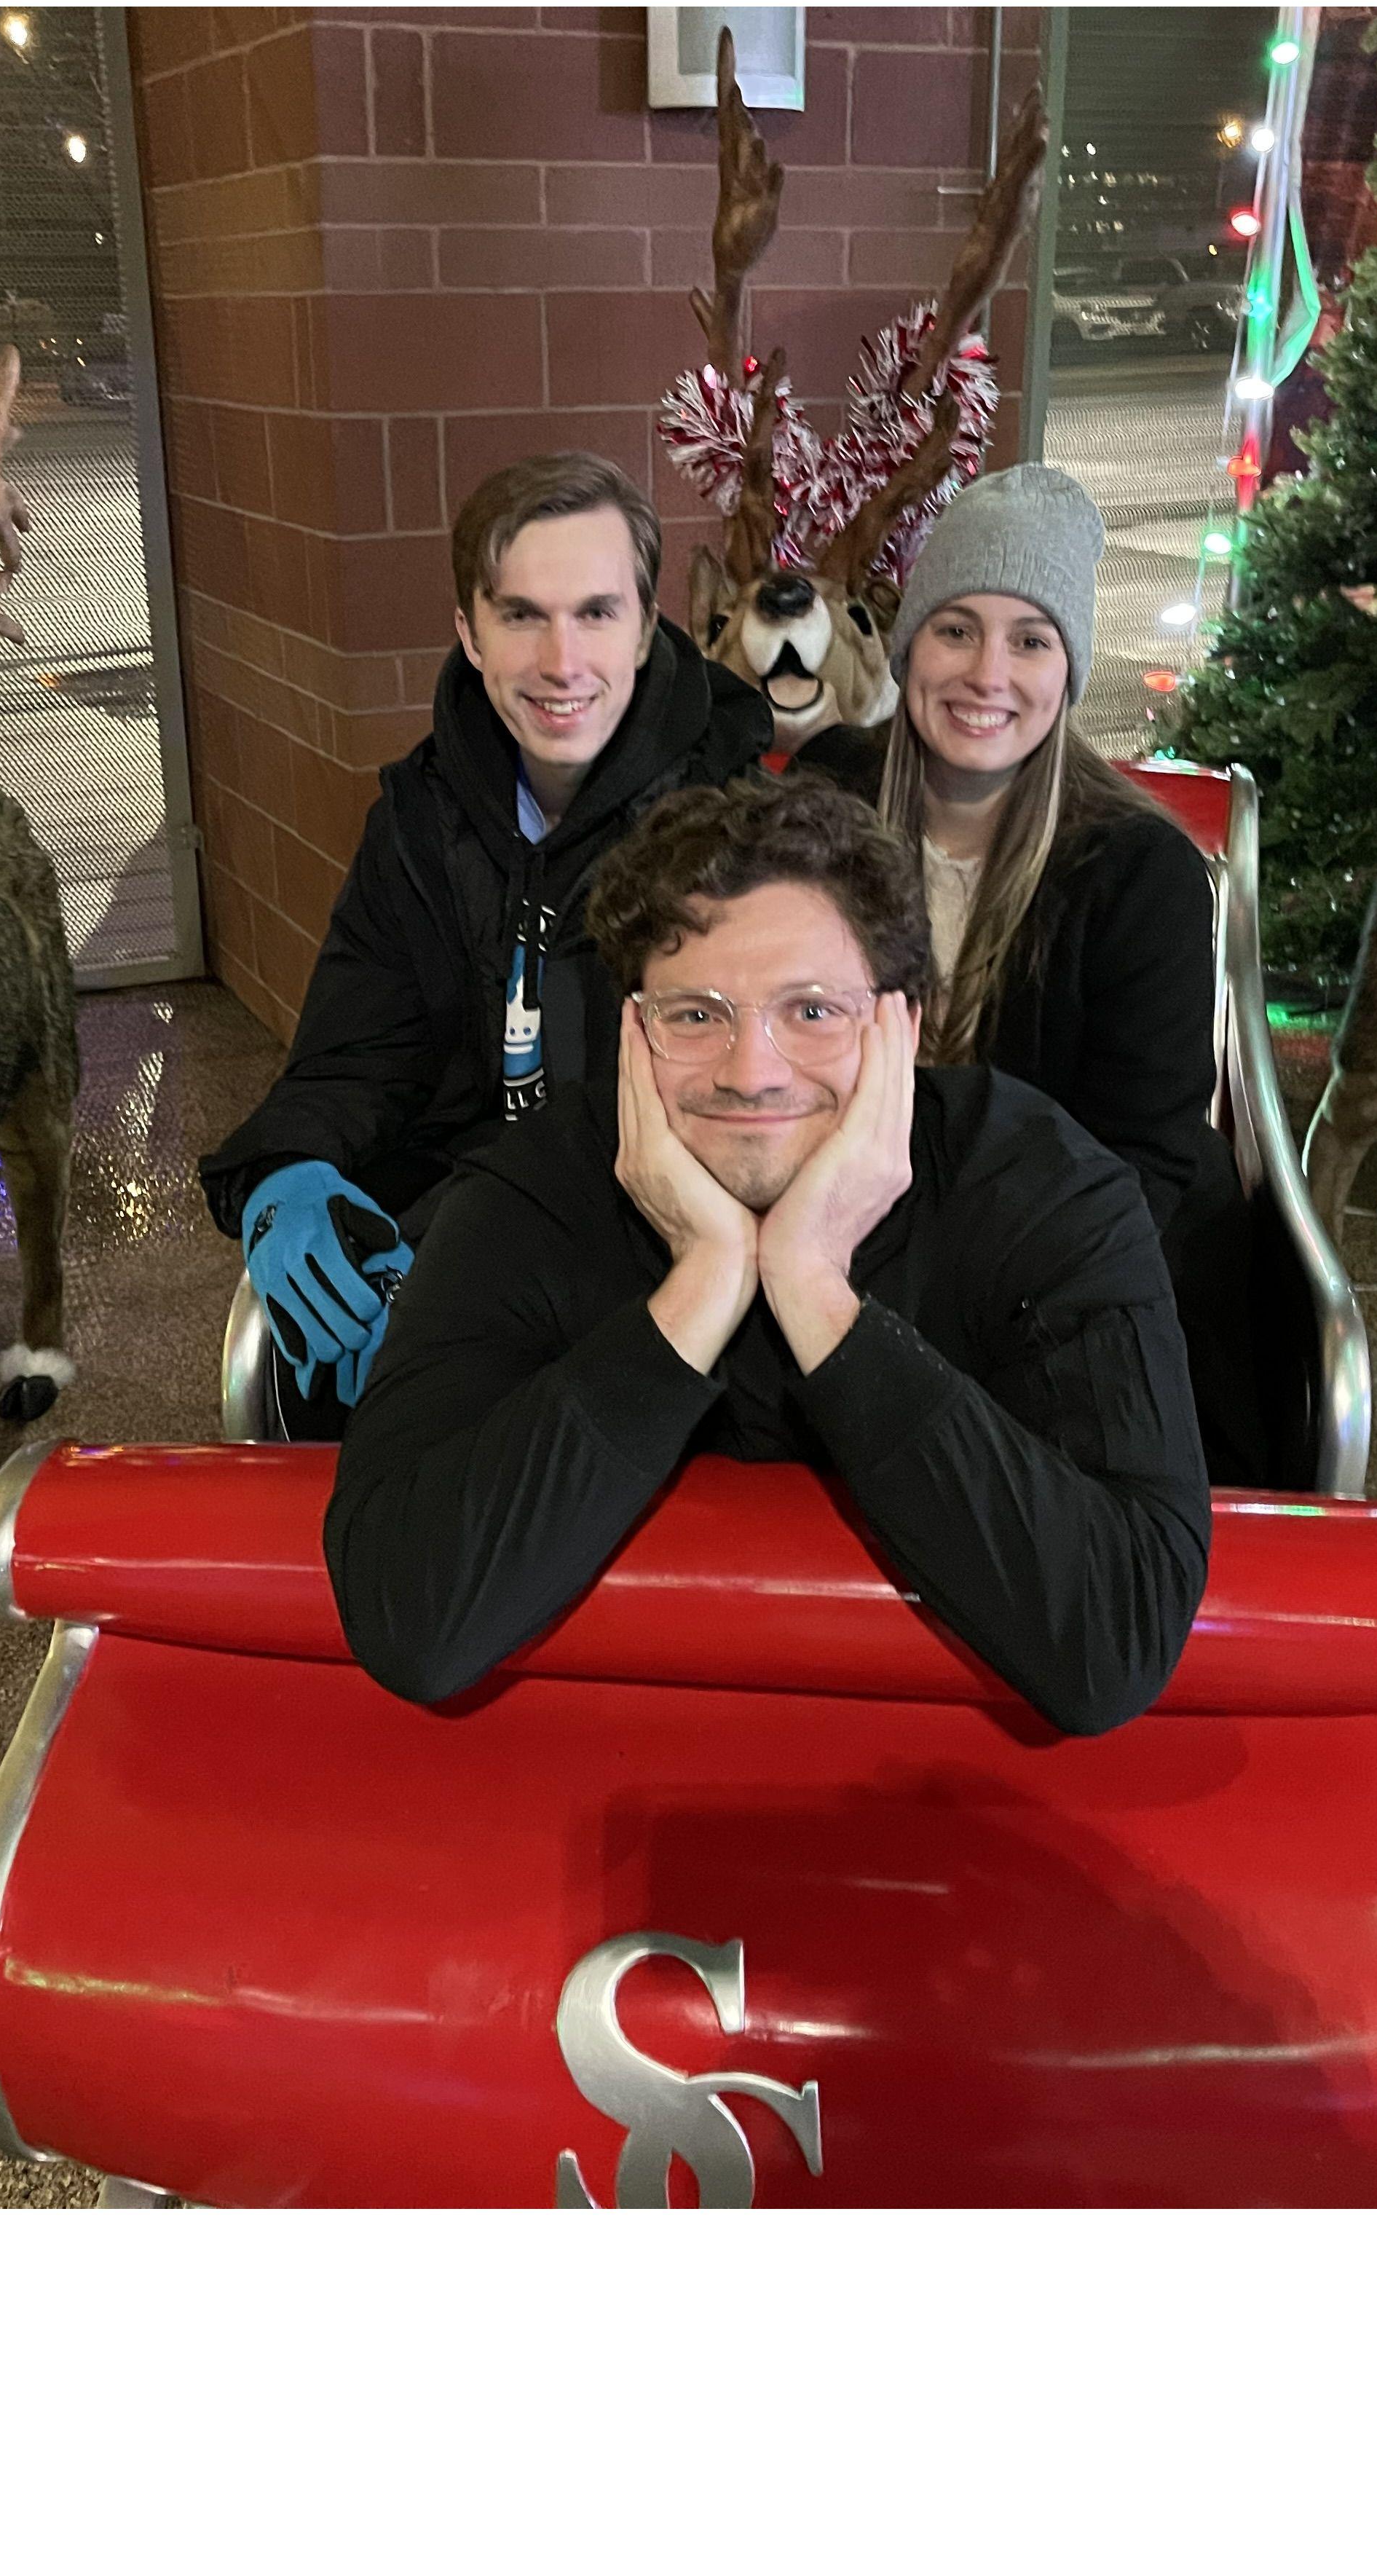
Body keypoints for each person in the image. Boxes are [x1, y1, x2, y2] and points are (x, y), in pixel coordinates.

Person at [323, 773, 1211, 1736]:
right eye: (695, 1015)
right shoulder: (532, 1191)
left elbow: (1116, 1639)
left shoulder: (1042, 1186)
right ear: (633, 1029)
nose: (752, 1073)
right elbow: (409, 1619)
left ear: (902, 1026)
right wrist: (699, 1288)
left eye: (813, 1012)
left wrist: (816, 1291)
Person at [200, 453, 773, 1424]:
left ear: (644, 629)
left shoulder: (738, 826)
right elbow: (358, 1054)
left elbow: (742, 1130)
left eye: (596, 612)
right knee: (317, 1381)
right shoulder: (422, 821)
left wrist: (492, 1269)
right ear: (469, 631)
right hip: (458, 1234)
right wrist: (281, 1174)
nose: (562, 662)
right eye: (521, 616)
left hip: (662, 1270)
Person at [794, 460, 1268, 1476]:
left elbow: (1137, 1169)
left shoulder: (1141, 876)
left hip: (1059, 1278)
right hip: (834, 1236)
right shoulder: (826, 797)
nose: (987, 675)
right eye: (957, 627)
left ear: (1069, 667)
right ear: (913, 638)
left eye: (1031, 640)